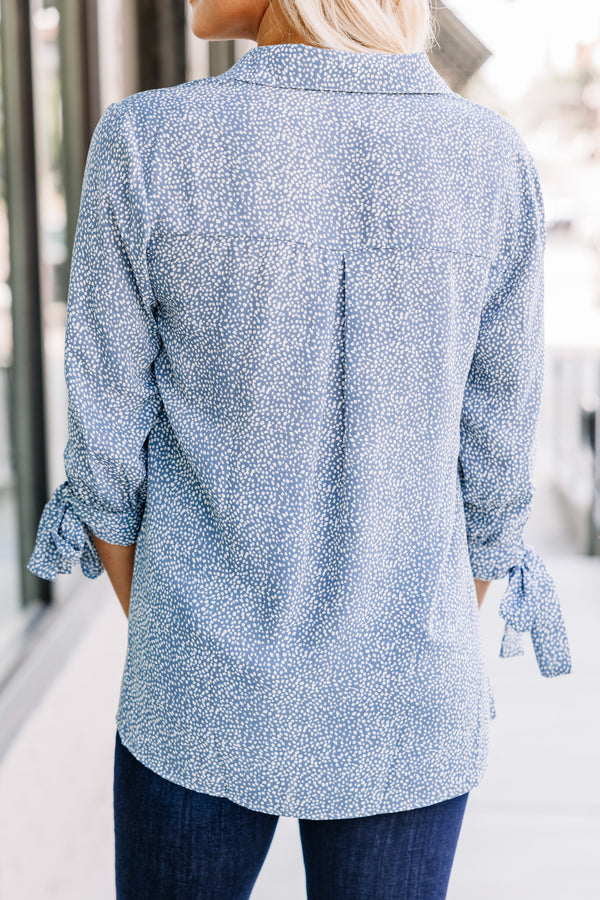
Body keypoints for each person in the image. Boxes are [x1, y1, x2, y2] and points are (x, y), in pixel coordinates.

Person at [27, 0, 573, 897]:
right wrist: (407, 636)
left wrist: (187, 632)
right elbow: (496, 477)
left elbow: (105, 465)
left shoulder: (148, 143)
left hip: (195, 692)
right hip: (408, 705)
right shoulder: (489, 160)